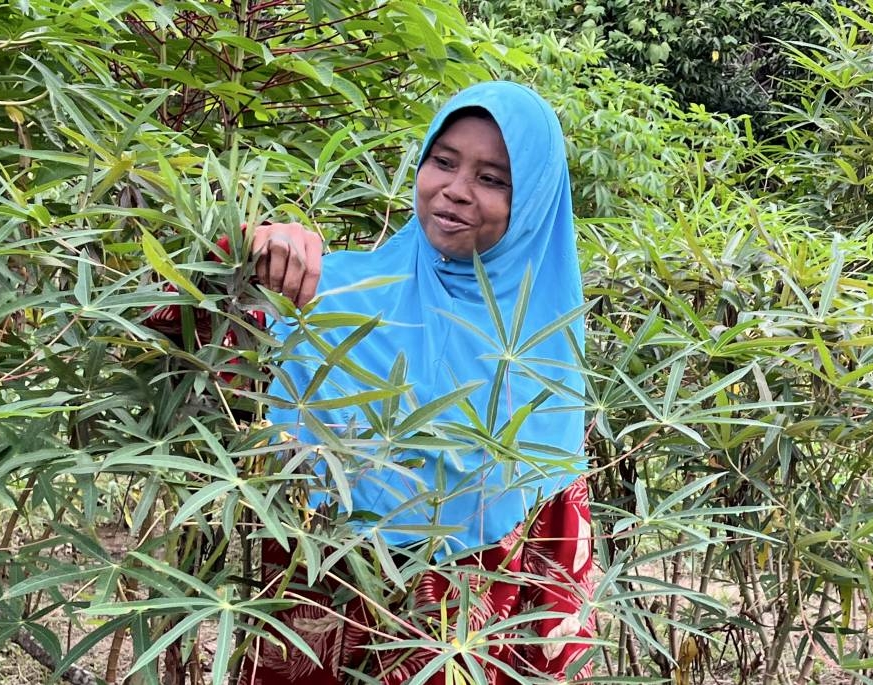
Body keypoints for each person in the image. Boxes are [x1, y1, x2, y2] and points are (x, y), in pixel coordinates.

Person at [150, 80, 593, 683]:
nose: (456, 191)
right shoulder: (330, 295)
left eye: (492, 179)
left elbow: (554, 603)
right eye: (443, 161)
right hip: (312, 636)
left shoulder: (542, 357)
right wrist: (244, 250)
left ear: (536, 201)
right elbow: (170, 332)